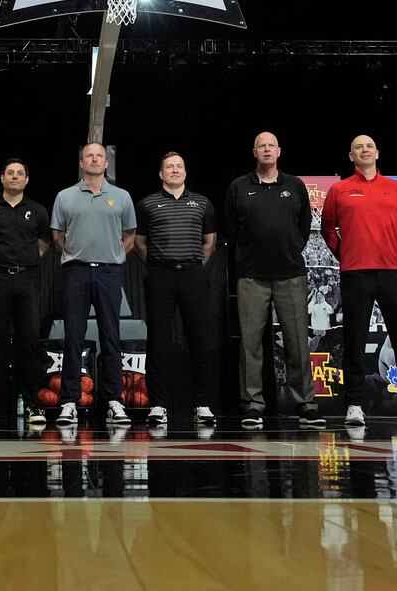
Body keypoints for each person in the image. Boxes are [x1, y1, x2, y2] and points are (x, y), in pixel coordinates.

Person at [320, 134, 397, 428]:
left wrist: (388, 251)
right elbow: (328, 230)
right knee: (355, 341)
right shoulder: (339, 190)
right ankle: (354, 404)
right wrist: (347, 254)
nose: (364, 150)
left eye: (369, 146)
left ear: (377, 152)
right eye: (358, 147)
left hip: (391, 272)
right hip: (355, 272)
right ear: (351, 156)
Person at [222, 132, 324, 429]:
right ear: (254, 152)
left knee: (297, 343)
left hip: (291, 274)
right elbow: (232, 228)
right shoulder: (239, 187)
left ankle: (306, 404)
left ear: (279, 151)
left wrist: (289, 249)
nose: (266, 149)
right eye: (261, 146)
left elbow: (303, 227)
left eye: (271, 145)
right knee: (250, 344)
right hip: (252, 276)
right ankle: (253, 406)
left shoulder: (294, 186)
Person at [51, 143, 137, 428]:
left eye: (100, 155)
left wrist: (112, 258)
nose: (95, 159)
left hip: (109, 274)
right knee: (73, 337)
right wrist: (79, 255)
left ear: (106, 162)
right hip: (76, 273)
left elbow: (130, 236)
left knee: (110, 337)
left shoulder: (122, 196)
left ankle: (114, 401)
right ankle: (68, 402)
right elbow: (58, 235)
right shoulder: (65, 197)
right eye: (90, 155)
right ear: (81, 162)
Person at [136, 152, 220, 427]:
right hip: (160, 276)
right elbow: (139, 243)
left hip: (193, 275)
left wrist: (191, 265)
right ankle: (158, 405)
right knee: (158, 340)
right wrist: (161, 263)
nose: (174, 170)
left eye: (179, 166)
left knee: (199, 339)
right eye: (169, 167)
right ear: (160, 174)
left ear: (185, 172)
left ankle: (202, 404)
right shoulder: (148, 203)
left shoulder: (203, 203)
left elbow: (209, 243)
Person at [0, 158, 51, 429]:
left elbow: (43, 244)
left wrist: (25, 262)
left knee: (29, 343)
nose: (15, 177)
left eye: (20, 174)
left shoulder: (38, 210)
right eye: (10, 173)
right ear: (2, 178)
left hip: (27, 281)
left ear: (27, 179)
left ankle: (31, 403)